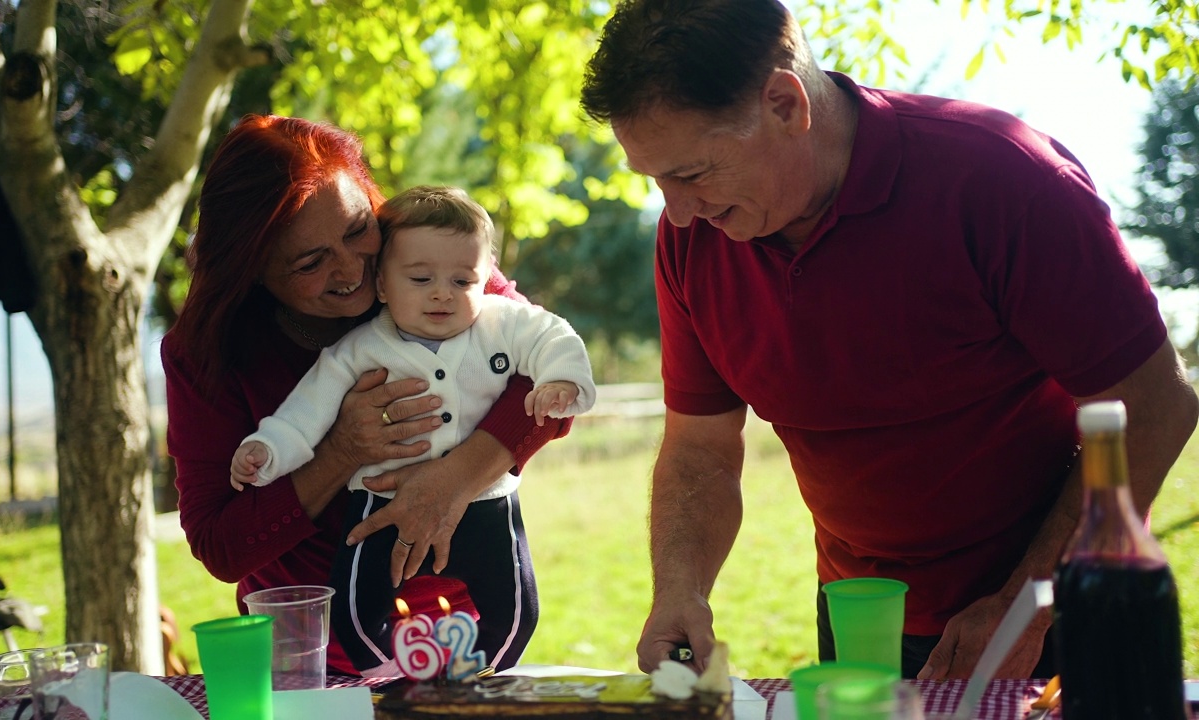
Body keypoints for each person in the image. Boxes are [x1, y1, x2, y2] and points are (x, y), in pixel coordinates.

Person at [579, 0, 1199, 680]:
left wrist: (1028, 603)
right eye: (656, 180)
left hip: (1061, 605)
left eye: (691, 173)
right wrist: (680, 590)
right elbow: (699, 451)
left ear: (785, 104)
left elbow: (1154, 405)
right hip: (860, 613)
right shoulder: (691, 240)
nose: (676, 209)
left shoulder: (1003, 179)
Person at [162, 115, 573, 676]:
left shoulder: (427, 265)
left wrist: (451, 480)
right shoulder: (205, 352)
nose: (353, 269)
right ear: (251, 272)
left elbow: (542, 380)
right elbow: (220, 545)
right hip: (308, 651)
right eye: (310, 262)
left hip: (462, 629)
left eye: (358, 229)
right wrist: (340, 451)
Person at [231, 185, 596, 675]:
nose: (442, 292)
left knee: (516, 610)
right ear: (382, 286)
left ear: (486, 279)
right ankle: (391, 679)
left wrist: (561, 379)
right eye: (421, 278)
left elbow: (556, 335)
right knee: (356, 611)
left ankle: (482, 679)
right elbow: (306, 412)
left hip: (486, 502)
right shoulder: (359, 350)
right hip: (377, 505)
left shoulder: (503, 323)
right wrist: (267, 449)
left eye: (463, 280)